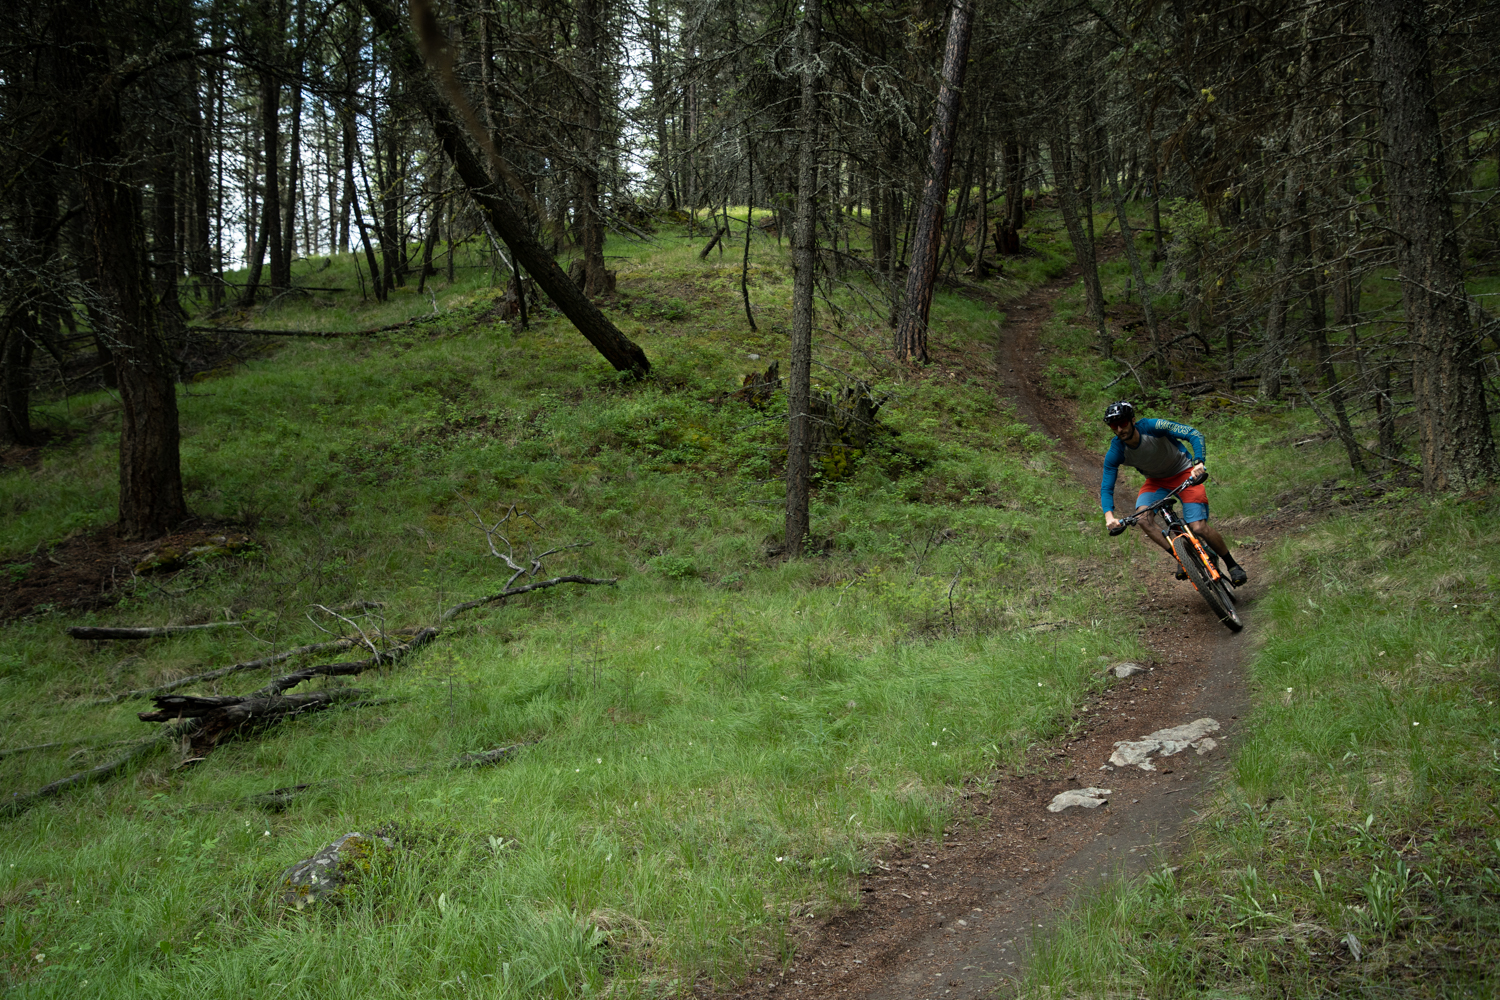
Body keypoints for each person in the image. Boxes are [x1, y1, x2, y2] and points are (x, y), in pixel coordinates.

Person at [1099, 401, 1247, 587]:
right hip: (1155, 481)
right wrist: (1109, 517)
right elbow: (1106, 487)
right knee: (1143, 520)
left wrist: (1199, 462)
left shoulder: (1152, 426)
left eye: (1123, 422)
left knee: (1198, 527)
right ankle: (1183, 558)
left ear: (1132, 420)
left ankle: (1232, 564)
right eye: (1114, 425)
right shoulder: (1116, 451)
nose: (1120, 429)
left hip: (1184, 472)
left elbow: (1193, 434)